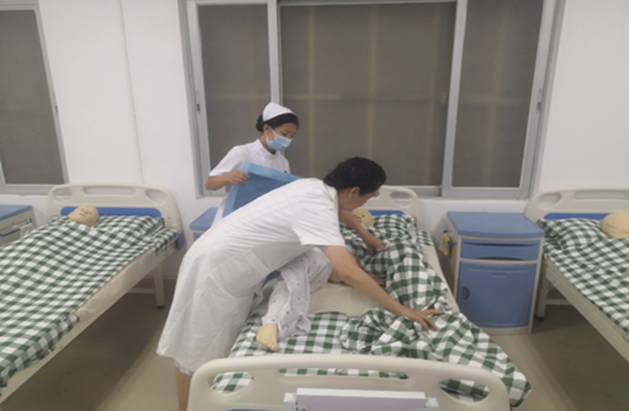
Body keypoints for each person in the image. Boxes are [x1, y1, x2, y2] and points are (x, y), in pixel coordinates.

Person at [157, 157, 442, 411]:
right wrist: (401, 310)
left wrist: (365, 234)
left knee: (217, 341)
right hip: (215, 270)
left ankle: (206, 395)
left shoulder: (315, 187)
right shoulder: (317, 209)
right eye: (368, 198)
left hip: (235, 268)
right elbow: (348, 271)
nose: (364, 206)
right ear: (354, 191)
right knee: (195, 349)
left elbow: (341, 211)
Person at [204, 101, 299, 226]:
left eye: (292, 136)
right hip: (233, 218)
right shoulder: (241, 153)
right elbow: (210, 184)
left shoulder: (283, 162)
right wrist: (228, 177)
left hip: (262, 220)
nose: (288, 140)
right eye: (284, 134)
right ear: (266, 129)